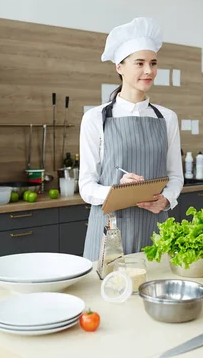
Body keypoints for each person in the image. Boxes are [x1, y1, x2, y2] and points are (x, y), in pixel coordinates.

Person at [79, 17, 184, 261]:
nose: (149, 71)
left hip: (156, 229)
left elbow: (175, 175)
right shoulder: (96, 118)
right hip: (111, 230)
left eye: (153, 63)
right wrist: (118, 192)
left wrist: (166, 200)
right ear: (119, 67)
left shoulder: (167, 118)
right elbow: (86, 187)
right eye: (140, 63)